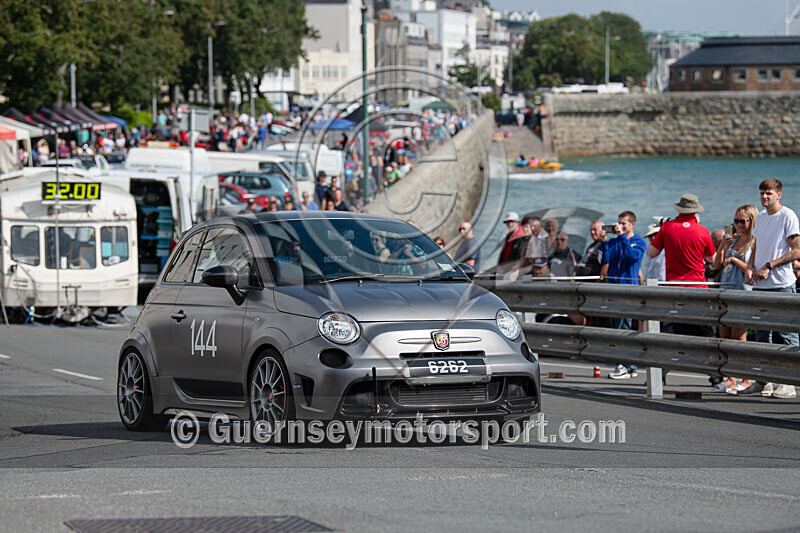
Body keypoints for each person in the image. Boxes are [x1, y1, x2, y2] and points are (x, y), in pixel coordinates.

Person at [648, 193, 718, 384]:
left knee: (669, 334)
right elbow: (713, 260)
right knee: (705, 334)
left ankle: (659, 377)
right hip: (697, 289)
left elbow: (651, 253)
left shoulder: (667, 228)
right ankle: (716, 376)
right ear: (695, 211)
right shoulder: (702, 231)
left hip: (674, 289)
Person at [743, 178, 800, 399]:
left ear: (779, 195)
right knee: (761, 336)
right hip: (760, 284)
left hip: (781, 284)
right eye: (762, 193)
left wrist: (769, 266)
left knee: (787, 334)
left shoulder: (788, 216)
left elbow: (796, 252)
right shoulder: (761, 218)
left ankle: (789, 383)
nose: (764, 197)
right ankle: (763, 381)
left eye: (769, 193)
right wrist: (750, 266)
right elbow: (756, 244)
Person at [712, 205, 757, 394]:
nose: (738, 225)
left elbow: (752, 269)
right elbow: (716, 265)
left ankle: (747, 377)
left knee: (739, 337)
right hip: (726, 290)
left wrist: (735, 260)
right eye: (736, 221)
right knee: (725, 337)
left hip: (743, 292)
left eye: (742, 221)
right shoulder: (733, 240)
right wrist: (722, 247)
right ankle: (731, 377)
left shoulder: (754, 242)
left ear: (751, 222)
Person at [602, 211, 647, 380]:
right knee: (618, 327)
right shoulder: (615, 241)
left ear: (632, 224)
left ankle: (624, 365)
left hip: (628, 290)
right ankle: (630, 364)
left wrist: (622, 237)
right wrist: (605, 242)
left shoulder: (639, 242)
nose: (620, 226)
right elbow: (606, 260)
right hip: (613, 289)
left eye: (624, 224)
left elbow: (631, 257)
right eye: (618, 223)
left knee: (624, 328)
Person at [497, 212, 527, 276]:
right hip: (506, 267)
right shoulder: (509, 235)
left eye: (512, 221)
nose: (510, 224)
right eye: (508, 222)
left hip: (514, 269)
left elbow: (521, 254)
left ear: (517, 222)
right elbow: (504, 251)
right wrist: (500, 265)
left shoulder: (521, 235)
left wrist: (516, 266)